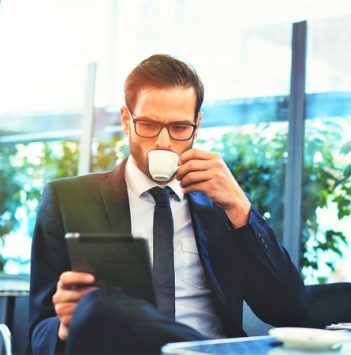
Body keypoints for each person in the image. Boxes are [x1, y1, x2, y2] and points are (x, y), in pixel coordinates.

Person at [29, 54, 306, 355]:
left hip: (211, 349)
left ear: (197, 125)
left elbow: (289, 312)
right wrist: (65, 325)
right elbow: (37, 332)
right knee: (98, 305)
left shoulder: (221, 206)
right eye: (148, 125)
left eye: (178, 128)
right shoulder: (67, 200)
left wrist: (241, 208)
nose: (163, 142)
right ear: (126, 120)